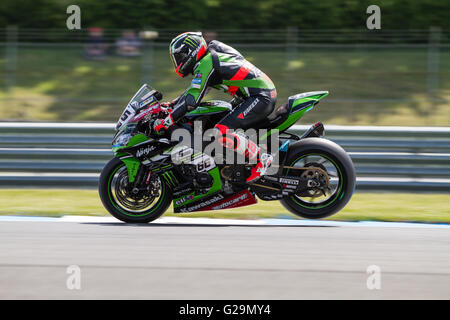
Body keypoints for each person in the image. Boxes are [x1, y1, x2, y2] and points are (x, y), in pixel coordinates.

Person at [153, 32, 277, 183]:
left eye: (180, 57)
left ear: (190, 51)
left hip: (260, 97)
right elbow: (197, 89)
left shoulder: (207, 63)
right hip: (251, 96)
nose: (179, 62)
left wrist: (167, 120)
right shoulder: (210, 57)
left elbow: (192, 100)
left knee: (221, 131)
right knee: (215, 120)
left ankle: (262, 158)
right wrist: (172, 104)